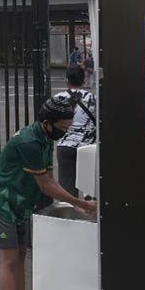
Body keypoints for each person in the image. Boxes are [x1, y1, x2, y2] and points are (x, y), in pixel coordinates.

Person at [0, 94, 98, 290]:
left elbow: (50, 177)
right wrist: (83, 204)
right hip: (2, 202)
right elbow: (46, 185)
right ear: (47, 122)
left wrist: (73, 201)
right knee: (9, 261)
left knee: (20, 255)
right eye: (63, 127)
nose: (65, 132)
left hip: (19, 203)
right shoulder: (30, 142)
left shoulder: (45, 138)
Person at [55, 65, 97, 197]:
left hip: (65, 145)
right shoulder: (93, 99)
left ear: (66, 80)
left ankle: (69, 214)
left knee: (67, 191)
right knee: (90, 188)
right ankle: (90, 213)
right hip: (88, 147)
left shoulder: (58, 98)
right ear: (84, 81)